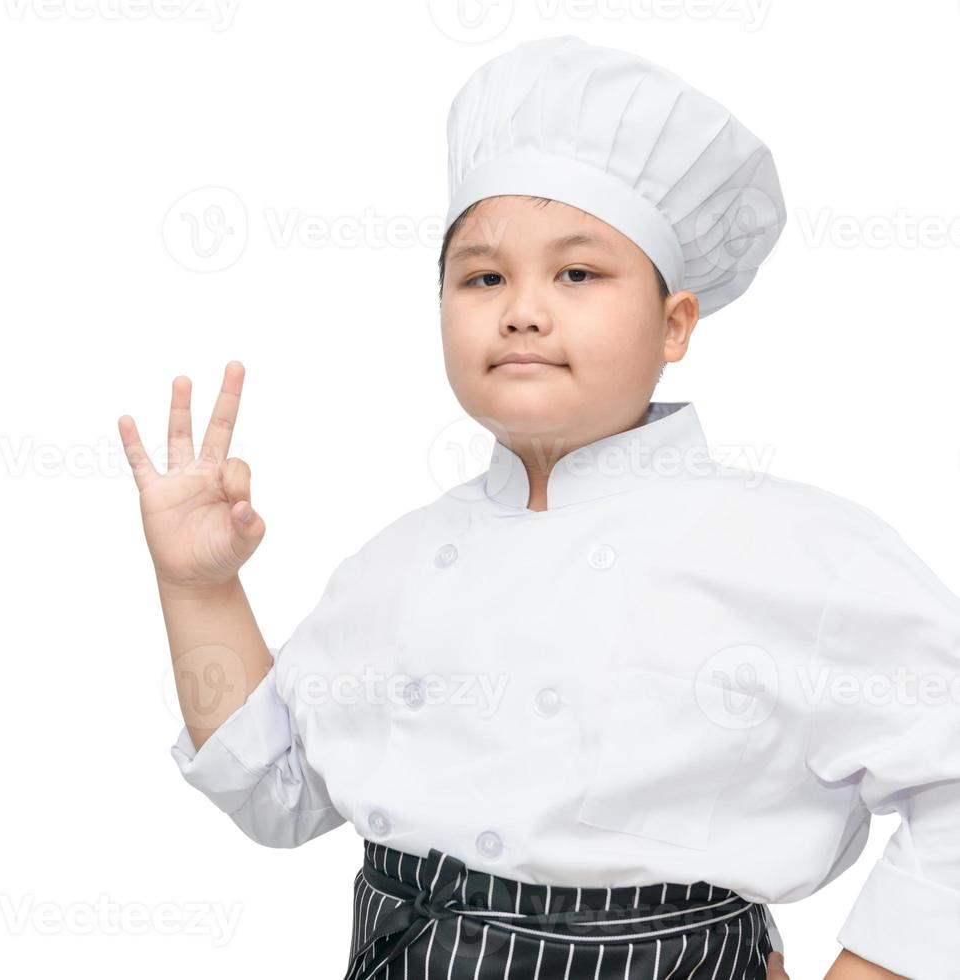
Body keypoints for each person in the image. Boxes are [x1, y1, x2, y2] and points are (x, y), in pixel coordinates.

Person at [119, 34, 949, 980]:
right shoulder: (395, 564)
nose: (521, 310)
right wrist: (197, 589)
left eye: (576, 274)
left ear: (674, 323)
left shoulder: (799, 550)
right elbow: (275, 793)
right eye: (482, 277)